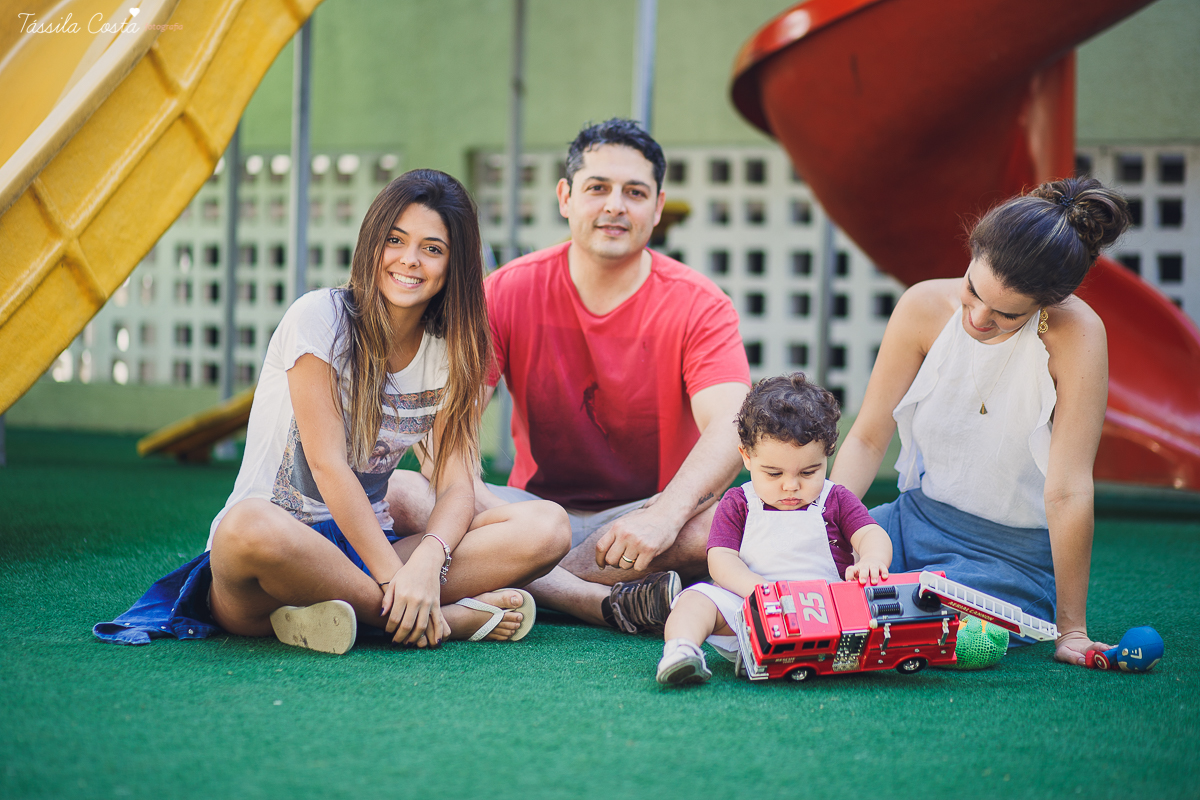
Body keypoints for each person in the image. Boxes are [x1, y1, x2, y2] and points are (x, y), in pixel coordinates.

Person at [95, 170, 569, 652]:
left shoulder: (454, 350)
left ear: (454, 265)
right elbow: (326, 465)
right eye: (395, 239)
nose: (409, 260)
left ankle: (340, 616)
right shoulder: (320, 318)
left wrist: (430, 559)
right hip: (277, 560)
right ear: (372, 243)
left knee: (546, 528)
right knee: (248, 525)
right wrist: (396, 581)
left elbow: (453, 483)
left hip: (368, 550)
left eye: (432, 248)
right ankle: (434, 618)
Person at [387, 119, 750, 635]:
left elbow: (732, 424)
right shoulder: (508, 290)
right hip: (531, 511)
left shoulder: (699, 304)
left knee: (723, 521)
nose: (614, 206)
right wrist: (485, 505)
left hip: (644, 518)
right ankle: (590, 598)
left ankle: (527, 581)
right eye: (597, 188)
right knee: (403, 490)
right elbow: (447, 422)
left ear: (658, 207)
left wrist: (664, 516)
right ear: (565, 196)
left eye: (635, 192)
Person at [829, 176, 1131, 665]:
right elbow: (866, 438)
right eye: (973, 290)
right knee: (777, 556)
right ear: (971, 255)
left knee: (894, 619)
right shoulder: (922, 306)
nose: (977, 318)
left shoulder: (1077, 336)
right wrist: (823, 527)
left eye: (1006, 315)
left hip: (1008, 561)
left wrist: (1071, 630)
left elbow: (1069, 488)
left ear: (1047, 304)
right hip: (911, 523)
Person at [656, 374, 892, 684]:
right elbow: (721, 560)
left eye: (809, 472)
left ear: (827, 453)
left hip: (825, 611)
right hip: (752, 604)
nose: (791, 486)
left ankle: (772, 657)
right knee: (694, 600)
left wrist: (872, 558)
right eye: (773, 472)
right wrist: (759, 591)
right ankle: (681, 650)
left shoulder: (836, 499)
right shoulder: (739, 502)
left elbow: (871, 534)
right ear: (747, 458)